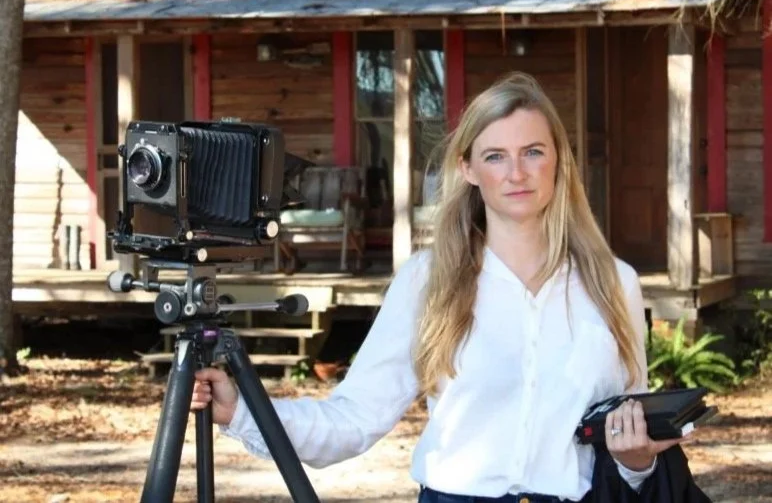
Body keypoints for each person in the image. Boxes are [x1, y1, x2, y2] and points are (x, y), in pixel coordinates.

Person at [191, 72, 692, 502]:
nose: (517, 173)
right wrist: (242, 411)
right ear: (468, 168)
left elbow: (628, 434)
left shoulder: (613, 282)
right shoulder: (427, 281)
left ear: (558, 159)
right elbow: (354, 419)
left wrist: (637, 462)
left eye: (533, 151)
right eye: (495, 156)